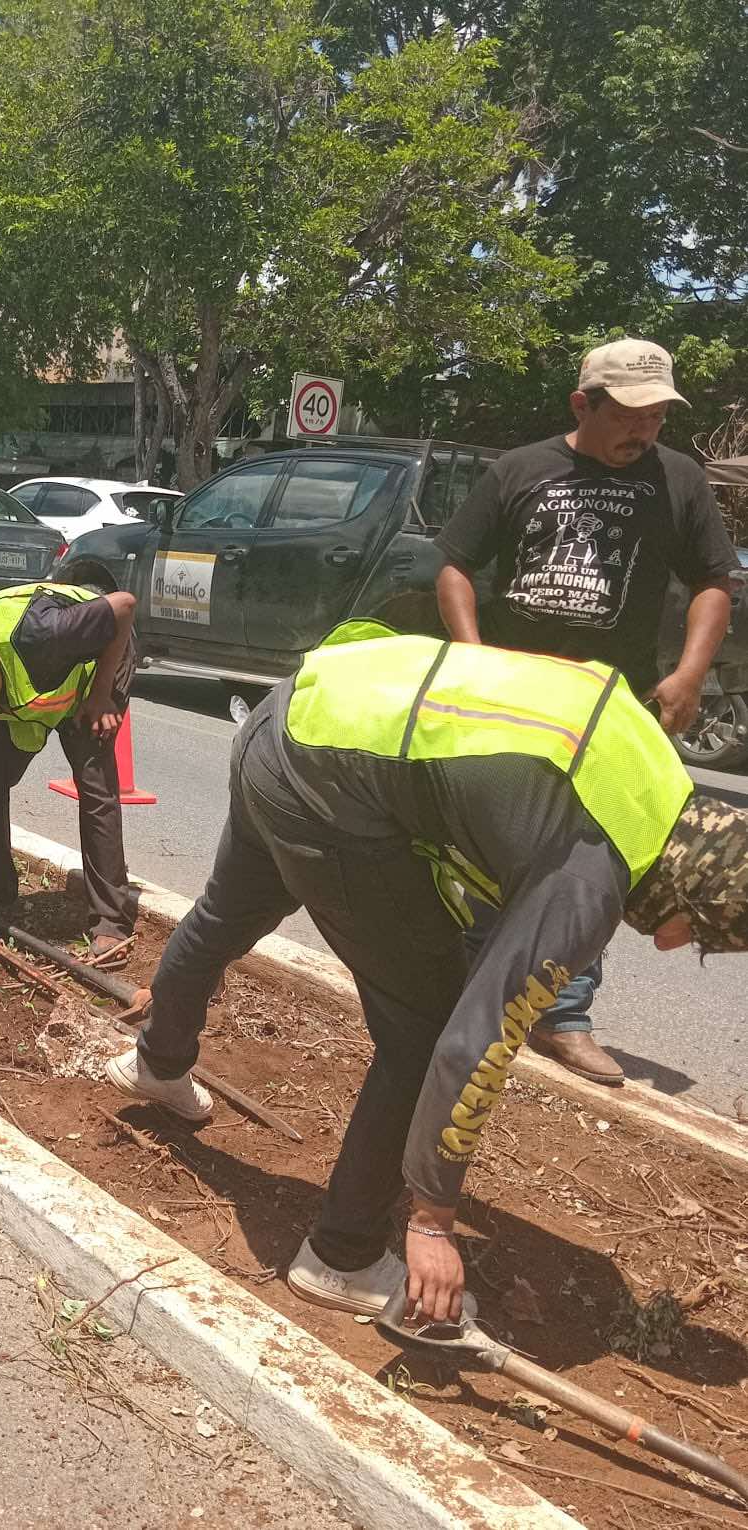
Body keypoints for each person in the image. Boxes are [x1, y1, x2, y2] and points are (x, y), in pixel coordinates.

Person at [104, 622, 748, 1323]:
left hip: (300, 712)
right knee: (425, 1025)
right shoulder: (590, 877)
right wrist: (434, 1218)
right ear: (689, 890)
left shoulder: (654, 773)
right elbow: (477, 1040)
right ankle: (342, 1256)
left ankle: (157, 1063)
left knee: (227, 912)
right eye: (693, 932)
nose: (668, 945)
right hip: (329, 782)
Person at [434, 337, 736, 1085]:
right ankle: (467, 988)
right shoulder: (520, 470)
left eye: (657, 416)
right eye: (629, 415)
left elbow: (713, 581)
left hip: (614, 708)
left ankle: (562, 1013)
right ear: (582, 404)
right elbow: (455, 565)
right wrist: (473, 657)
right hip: (512, 702)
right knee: (488, 847)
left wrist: (690, 674)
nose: (644, 430)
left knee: (594, 860)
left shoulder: (678, 479)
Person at [0, 581, 138, 962]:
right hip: (39, 685)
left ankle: (111, 923)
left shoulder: (47, 632)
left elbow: (124, 606)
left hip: (97, 665)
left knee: (95, 783)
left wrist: (101, 693)